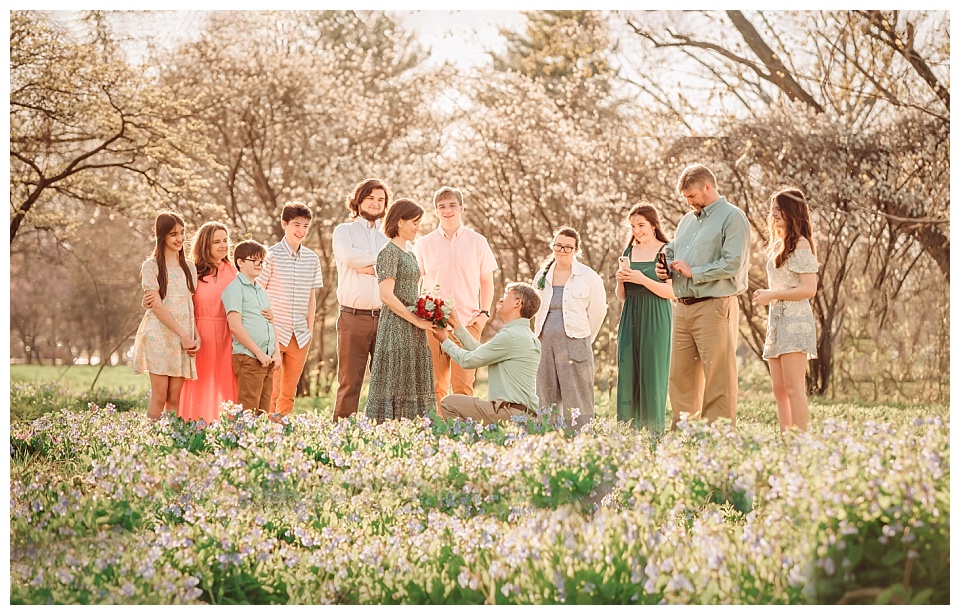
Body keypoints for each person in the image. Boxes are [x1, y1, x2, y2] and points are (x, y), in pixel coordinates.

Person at [657, 164, 750, 428]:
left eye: (692, 196)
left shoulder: (733, 217)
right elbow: (673, 250)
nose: (689, 202)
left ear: (707, 187)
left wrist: (693, 271)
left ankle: (717, 435)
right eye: (686, 198)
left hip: (714, 305)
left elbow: (732, 263)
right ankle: (685, 432)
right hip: (682, 307)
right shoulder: (687, 220)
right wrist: (664, 263)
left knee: (718, 375)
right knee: (680, 375)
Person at [413, 186, 498, 410]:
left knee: (464, 387)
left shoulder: (478, 242)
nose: (447, 210)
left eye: (452, 205)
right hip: (433, 326)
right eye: (442, 206)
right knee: (435, 386)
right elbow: (415, 283)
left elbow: (487, 281)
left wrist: (484, 315)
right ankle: (438, 435)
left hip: (468, 324)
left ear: (461, 208)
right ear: (436, 211)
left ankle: (463, 434)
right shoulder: (423, 244)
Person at [752, 188, 819, 433]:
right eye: (772, 210)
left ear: (793, 211)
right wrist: (768, 294)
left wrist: (773, 295)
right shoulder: (780, 245)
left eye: (780, 209)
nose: (774, 214)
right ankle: (786, 440)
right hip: (777, 322)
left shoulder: (801, 245)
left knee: (793, 389)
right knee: (779, 390)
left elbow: (809, 289)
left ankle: (800, 442)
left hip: (795, 321)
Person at [364, 199, 436, 422]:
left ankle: (417, 429)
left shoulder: (410, 254)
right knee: (396, 379)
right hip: (396, 327)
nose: (417, 227)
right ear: (400, 221)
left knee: (414, 379)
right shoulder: (388, 253)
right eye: (414, 222)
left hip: (414, 325)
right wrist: (416, 320)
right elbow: (386, 295)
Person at [431, 282, 541, 424]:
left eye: (506, 296)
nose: (501, 299)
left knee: (448, 403)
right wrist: (457, 325)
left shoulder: (510, 336)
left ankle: (467, 442)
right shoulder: (527, 336)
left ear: (517, 303)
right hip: (525, 415)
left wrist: (444, 341)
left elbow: (468, 361)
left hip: (508, 414)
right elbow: (480, 351)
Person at [531, 227, 606, 427]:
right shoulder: (542, 275)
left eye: (567, 247)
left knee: (576, 395)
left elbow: (597, 312)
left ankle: (580, 438)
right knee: (545, 393)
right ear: (553, 246)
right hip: (545, 344)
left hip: (575, 343)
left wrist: (584, 339)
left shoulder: (588, 276)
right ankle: (547, 437)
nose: (562, 250)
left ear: (576, 250)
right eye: (558, 246)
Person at [331, 178, 390, 421]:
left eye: (381, 199)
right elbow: (348, 256)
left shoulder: (389, 234)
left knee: (386, 382)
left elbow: (397, 262)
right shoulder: (344, 231)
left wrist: (370, 266)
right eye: (371, 198)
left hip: (386, 318)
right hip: (353, 317)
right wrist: (381, 263)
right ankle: (342, 431)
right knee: (349, 381)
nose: (376, 203)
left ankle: (384, 431)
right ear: (359, 200)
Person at [258, 201, 324, 417]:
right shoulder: (270, 256)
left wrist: (310, 328)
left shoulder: (312, 259)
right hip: (274, 332)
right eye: (296, 225)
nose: (301, 231)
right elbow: (258, 290)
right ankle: (265, 430)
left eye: (305, 226)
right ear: (284, 224)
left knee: (289, 391)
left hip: (301, 335)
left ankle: (282, 428)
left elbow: (311, 297)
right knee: (272, 388)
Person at [615, 203, 676, 435]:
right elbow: (622, 296)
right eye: (633, 226)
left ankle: (654, 435)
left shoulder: (667, 251)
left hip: (657, 315)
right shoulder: (628, 253)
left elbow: (671, 293)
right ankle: (627, 433)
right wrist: (621, 280)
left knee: (653, 372)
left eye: (641, 225)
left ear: (653, 225)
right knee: (628, 370)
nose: (637, 231)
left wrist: (641, 279)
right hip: (630, 314)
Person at [132, 211, 199, 421]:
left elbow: (190, 306)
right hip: (159, 335)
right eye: (173, 234)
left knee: (174, 397)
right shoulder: (151, 267)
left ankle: (171, 442)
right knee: (160, 395)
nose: (179, 238)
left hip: (183, 338)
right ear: (162, 237)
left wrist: (195, 336)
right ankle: (150, 439)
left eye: (182, 233)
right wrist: (183, 334)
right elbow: (158, 308)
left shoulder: (189, 267)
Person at [221, 240, 281, 414]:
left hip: (267, 358)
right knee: (248, 408)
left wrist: (276, 352)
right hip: (249, 357)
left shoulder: (261, 290)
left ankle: (259, 441)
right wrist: (258, 353)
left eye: (262, 261)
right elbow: (235, 326)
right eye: (255, 261)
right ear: (240, 262)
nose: (259, 265)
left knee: (263, 411)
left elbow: (271, 322)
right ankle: (243, 440)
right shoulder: (235, 289)